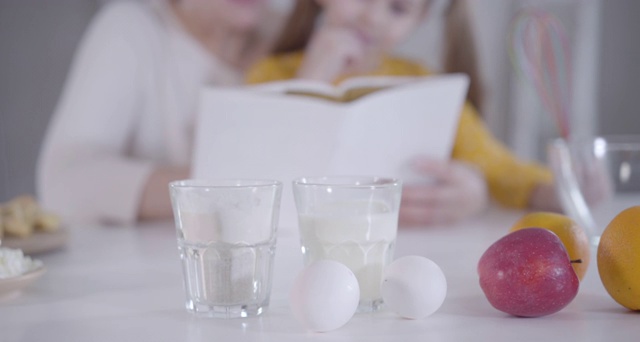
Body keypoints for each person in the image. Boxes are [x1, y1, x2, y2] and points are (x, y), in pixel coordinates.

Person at [246, 0, 560, 226]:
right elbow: (248, 170)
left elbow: (498, 166)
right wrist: (311, 80)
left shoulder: (424, 86)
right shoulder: (268, 75)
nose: (372, 16)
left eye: (397, 8)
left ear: (420, 17)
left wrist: (552, 189)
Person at [37, 0, 283, 224]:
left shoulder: (290, 35)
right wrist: (214, 189)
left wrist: (323, 37)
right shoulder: (132, 28)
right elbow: (63, 182)